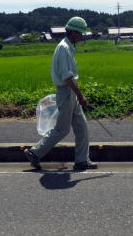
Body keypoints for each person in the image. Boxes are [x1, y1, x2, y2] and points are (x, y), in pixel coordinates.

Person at [24, 17, 97, 170]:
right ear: (73, 32)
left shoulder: (68, 47)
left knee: (82, 127)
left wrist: (77, 94)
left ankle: (82, 160)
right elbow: (67, 76)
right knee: (62, 129)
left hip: (70, 91)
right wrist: (80, 95)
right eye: (81, 33)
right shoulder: (64, 48)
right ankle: (35, 152)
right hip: (67, 91)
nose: (82, 36)